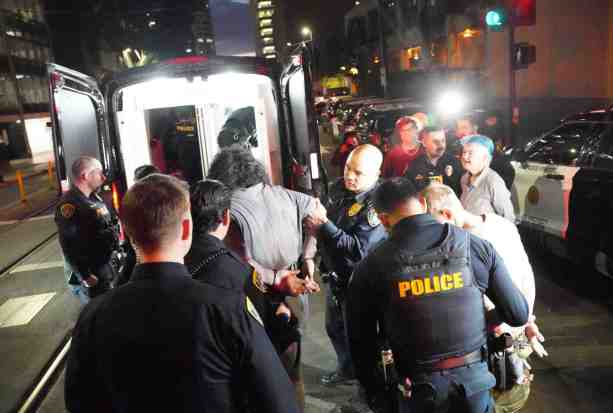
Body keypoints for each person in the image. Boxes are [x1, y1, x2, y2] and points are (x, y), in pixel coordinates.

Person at [65, 174, 300, 413]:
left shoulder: (92, 316)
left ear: (128, 232)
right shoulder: (227, 309)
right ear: (187, 228)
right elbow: (280, 404)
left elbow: (79, 402)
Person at [346, 177, 529, 413]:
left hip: (418, 393)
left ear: (382, 219)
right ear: (422, 203)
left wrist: (380, 395)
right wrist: (479, 324)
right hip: (475, 387)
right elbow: (518, 313)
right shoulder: (475, 247)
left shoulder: (370, 267)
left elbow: (361, 347)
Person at [208, 145, 323, 410]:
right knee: (292, 370)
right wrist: (308, 257)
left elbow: (241, 261)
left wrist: (275, 276)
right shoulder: (292, 197)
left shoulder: (229, 208)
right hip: (296, 289)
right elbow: (318, 214)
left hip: (257, 295)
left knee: (258, 375)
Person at [422, 183, 548, 413]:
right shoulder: (501, 224)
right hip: (516, 329)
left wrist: (510, 322)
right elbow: (526, 276)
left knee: (501, 399)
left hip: (500, 340)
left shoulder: (466, 245)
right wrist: (527, 318)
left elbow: (510, 288)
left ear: (447, 214)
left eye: (432, 225)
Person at [185, 179, 303, 403]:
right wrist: (282, 319)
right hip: (230, 387)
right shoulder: (238, 273)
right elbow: (260, 334)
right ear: (226, 218)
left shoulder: (175, 258)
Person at [304, 144, 388, 386]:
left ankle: (369, 385)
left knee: (361, 337)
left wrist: (324, 227)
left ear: (376, 173)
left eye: (358, 172)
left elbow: (358, 249)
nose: (350, 175)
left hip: (360, 282)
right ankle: (348, 370)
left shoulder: (376, 204)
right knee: (335, 329)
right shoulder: (338, 189)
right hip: (335, 276)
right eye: (348, 167)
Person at [55, 156, 120, 304]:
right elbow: (69, 244)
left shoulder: (93, 198)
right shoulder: (70, 205)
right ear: (85, 176)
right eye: (99, 172)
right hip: (92, 272)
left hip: (104, 265)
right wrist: (85, 275)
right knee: (99, 310)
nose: (103, 177)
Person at [461, 135, 516, 222]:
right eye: (464, 152)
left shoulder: (493, 182)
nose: (464, 156)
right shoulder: (464, 178)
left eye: (470, 153)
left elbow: (508, 218)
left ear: (485, 158)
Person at [454, 115, 515, 189]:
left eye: (464, 127)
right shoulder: (457, 148)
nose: (460, 131)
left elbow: (507, 170)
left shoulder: (485, 145)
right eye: (458, 128)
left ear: (475, 128)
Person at [405, 126, 463, 196]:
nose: (441, 145)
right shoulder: (414, 166)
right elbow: (408, 194)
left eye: (443, 140)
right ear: (424, 143)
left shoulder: (455, 163)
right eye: (436, 141)